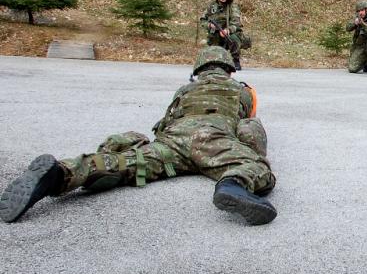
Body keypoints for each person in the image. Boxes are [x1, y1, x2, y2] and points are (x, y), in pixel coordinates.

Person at [0, 47, 278, 226]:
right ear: (229, 69)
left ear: (198, 71)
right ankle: (232, 185)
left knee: (126, 164)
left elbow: (163, 123)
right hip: (215, 140)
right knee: (254, 166)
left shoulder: (184, 90)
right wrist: (252, 151)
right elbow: (247, 124)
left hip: (172, 143)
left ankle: (60, 173)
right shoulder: (241, 90)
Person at [201, 0, 244, 71]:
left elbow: (236, 23)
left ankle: (235, 61)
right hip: (216, 33)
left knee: (233, 39)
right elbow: (203, 20)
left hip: (229, 33)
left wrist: (228, 30)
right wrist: (209, 25)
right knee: (212, 41)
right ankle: (217, 61)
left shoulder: (232, 6)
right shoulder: (212, 6)